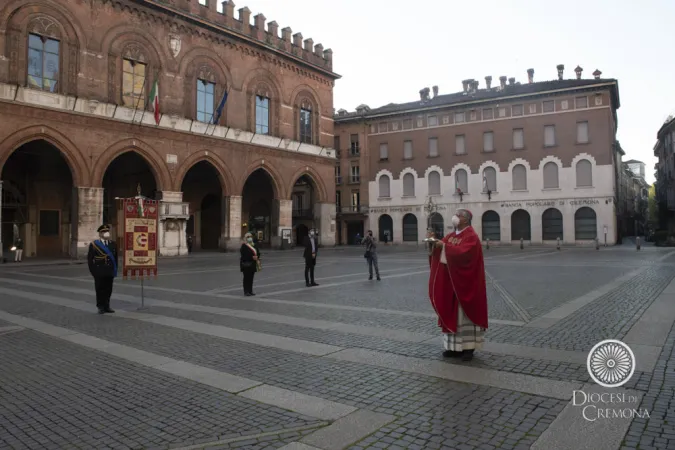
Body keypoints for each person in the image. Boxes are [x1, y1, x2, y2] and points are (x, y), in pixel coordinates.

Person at [429, 209, 488, 361]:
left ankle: (468, 348)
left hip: (466, 283)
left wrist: (444, 247)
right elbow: (444, 248)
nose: (455, 217)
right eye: (456, 214)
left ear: (466, 220)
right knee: (452, 314)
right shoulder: (451, 235)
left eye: (459, 216)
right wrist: (434, 244)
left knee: (464, 316)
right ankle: (453, 348)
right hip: (451, 282)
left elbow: (464, 254)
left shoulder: (471, 236)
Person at [87, 224, 118, 314]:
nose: (106, 233)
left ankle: (107, 306)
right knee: (100, 289)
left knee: (109, 289)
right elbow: (90, 259)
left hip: (109, 271)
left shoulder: (113, 244)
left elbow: (115, 258)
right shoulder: (94, 245)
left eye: (107, 232)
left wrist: (114, 270)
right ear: (100, 234)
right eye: (103, 232)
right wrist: (94, 272)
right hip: (99, 271)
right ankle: (100, 306)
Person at [240, 232, 261, 296]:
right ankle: (246, 291)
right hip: (246, 264)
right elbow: (243, 256)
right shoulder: (244, 245)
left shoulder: (254, 245)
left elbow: (258, 252)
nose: (250, 238)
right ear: (245, 238)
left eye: (250, 237)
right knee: (246, 278)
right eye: (248, 237)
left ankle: (250, 291)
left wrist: (257, 256)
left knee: (251, 278)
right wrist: (251, 257)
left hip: (252, 264)